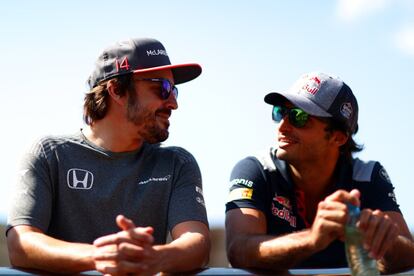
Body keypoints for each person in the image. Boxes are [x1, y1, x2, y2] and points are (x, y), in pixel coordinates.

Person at [6, 38, 210, 275]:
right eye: (162, 88)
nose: (173, 103)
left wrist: (154, 258)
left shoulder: (177, 163)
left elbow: (197, 244)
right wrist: (100, 256)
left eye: (174, 90)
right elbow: (20, 244)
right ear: (116, 90)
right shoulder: (49, 155)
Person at [225, 72, 414, 273]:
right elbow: (238, 250)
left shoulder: (367, 175)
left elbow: (409, 256)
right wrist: (313, 238)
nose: (282, 126)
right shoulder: (256, 169)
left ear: (338, 137)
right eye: (280, 112)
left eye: (299, 117)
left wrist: (386, 241)